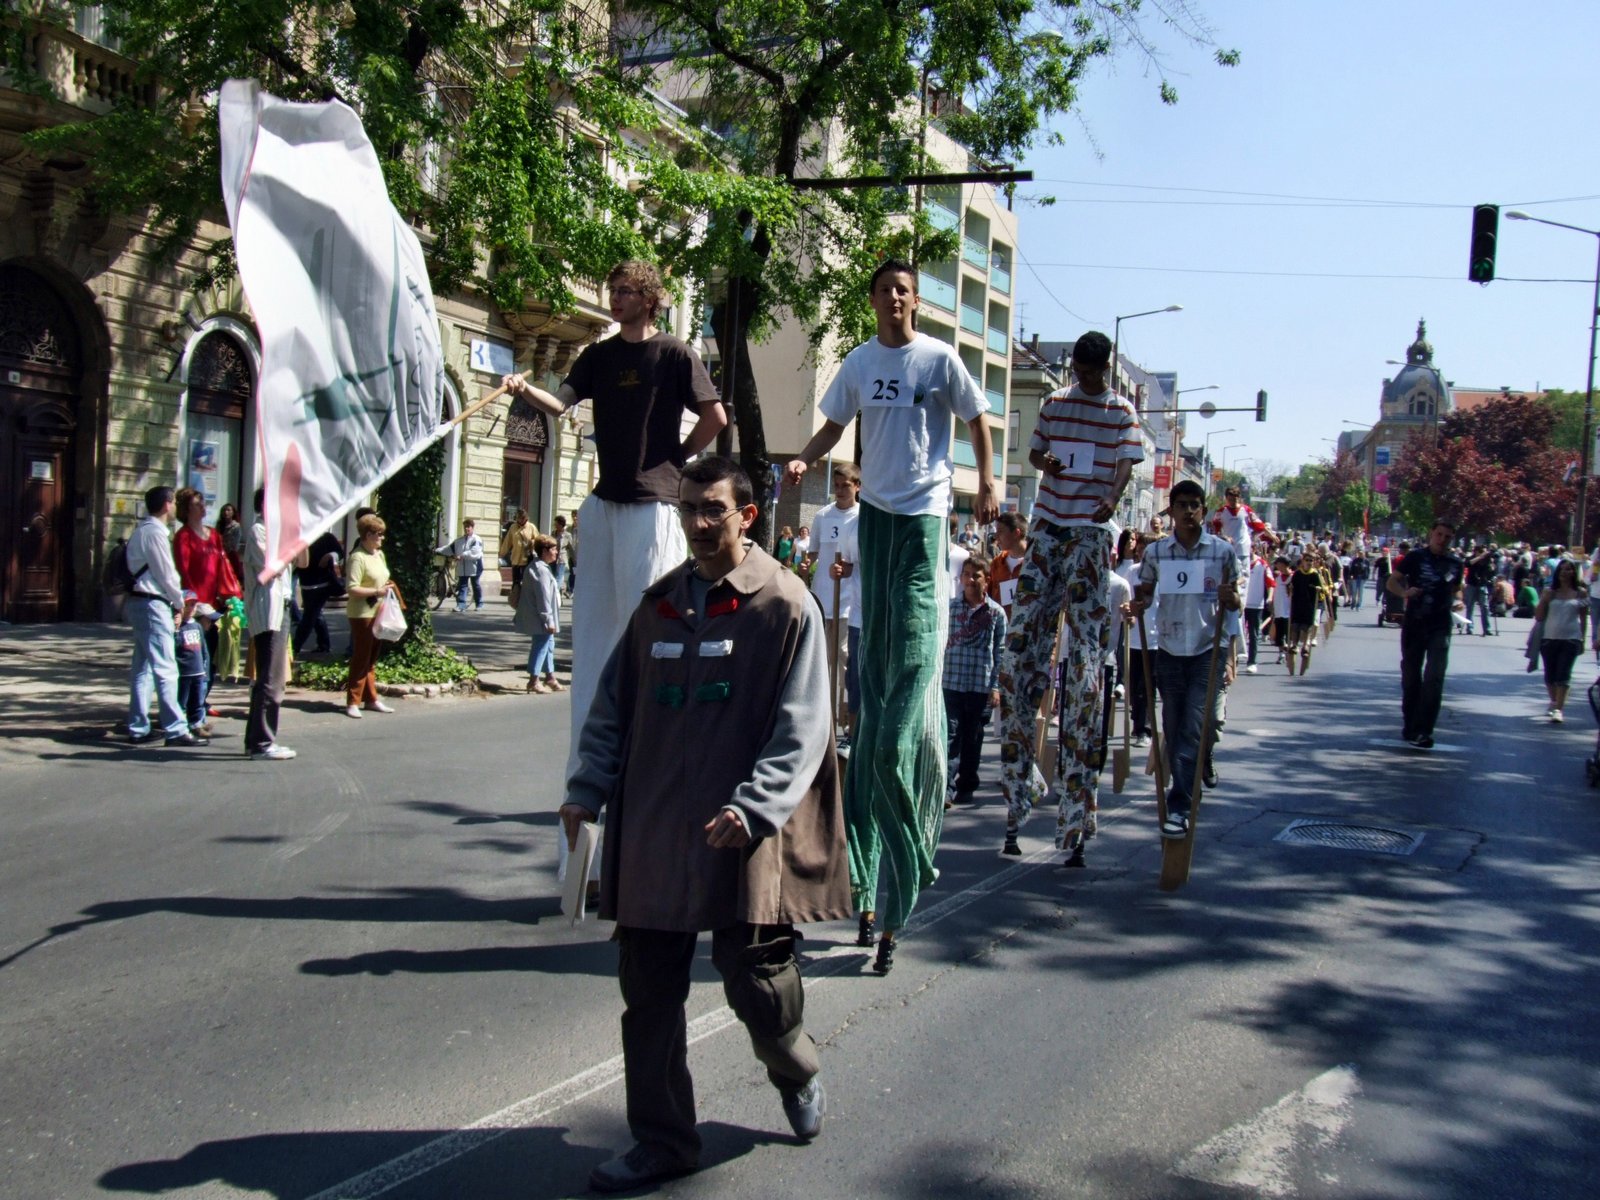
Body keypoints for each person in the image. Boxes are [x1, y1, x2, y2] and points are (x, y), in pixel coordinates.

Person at [561, 456, 849, 1192]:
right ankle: (662, 1141)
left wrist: (754, 806)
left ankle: (796, 1068)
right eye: (688, 508)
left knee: (757, 984)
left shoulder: (784, 604)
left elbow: (803, 729)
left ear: (746, 515)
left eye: (712, 509)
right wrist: (585, 791)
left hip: (743, 833)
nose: (696, 522)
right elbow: (611, 710)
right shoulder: (658, 605)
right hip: (656, 830)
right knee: (648, 989)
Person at [783, 259, 996, 972]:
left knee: (890, 730)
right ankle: (867, 886)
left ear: (914, 301)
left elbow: (977, 418)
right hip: (876, 511)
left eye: (904, 290)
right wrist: (800, 461)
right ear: (874, 300)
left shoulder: (938, 358)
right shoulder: (861, 361)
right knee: (870, 716)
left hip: (925, 513)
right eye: (885, 290)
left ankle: (898, 875)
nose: (895, 298)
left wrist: (988, 482)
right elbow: (833, 426)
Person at [501, 260, 727, 788]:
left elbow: (715, 416)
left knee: (649, 635)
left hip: (654, 507)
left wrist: (678, 460)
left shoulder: (674, 352)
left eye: (626, 290)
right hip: (604, 506)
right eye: (613, 289)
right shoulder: (598, 356)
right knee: (594, 641)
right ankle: (589, 771)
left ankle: (652, 763)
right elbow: (559, 403)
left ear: (649, 299)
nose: (615, 298)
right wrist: (523, 389)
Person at [995, 330, 1142, 860]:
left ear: (1105, 369)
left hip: (1091, 532)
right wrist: (1047, 465)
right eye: (1078, 370)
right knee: (1017, 657)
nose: (1083, 378)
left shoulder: (1121, 410)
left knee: (1083, 674)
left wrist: (1112, 496)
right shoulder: (1057, 401)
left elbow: (1126, 464)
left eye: (1091, 372)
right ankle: (1020, 787)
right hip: (1049, 526)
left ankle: (1077, 810)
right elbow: (1036, 451)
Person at [1130, 479, 1239, 839]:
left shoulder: (1222, 552)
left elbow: (1235, 602)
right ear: (1172, 511)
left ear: (1203, 511)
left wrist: (1231, 599)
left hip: (1208, 649)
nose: (1189, 511)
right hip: (1170, 649)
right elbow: (1146, 593)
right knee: (1174, 726)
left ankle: (1179, 804)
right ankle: (1191, 772)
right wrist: (1137, 604)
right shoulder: (1157, 553)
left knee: (1194, 724)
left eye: (1195, 505)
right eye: (1182, 505)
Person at [125, 486, 201, 746]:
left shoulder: (142, 530)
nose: (175, 507)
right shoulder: (155, 532)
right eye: (174, 502)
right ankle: (176, 729)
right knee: (166, 668)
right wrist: (179, 603)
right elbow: (167, 574)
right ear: (167, 504)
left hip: (140, 601)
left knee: (143, 668)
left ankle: (138, 727)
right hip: (152, 603)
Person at [1387, 519, 1465, 750]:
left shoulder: (1455, 563)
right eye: (1439, 534)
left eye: (1447, 537)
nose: (1442, 540)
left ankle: (1424, 730)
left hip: (1440, 625)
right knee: (1411, 677)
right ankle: (1410, 724)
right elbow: (1392, 582)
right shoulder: (1415, 557)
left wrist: (1458, 601)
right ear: (1432, 533)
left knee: (1434, 677)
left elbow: (1457, 590)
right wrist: (1405, 593)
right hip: (1415, 623)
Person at [244, 487, 307, 760]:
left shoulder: (280, 535)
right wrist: (290, 541)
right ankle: (261, 742)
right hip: (267, 611)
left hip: (282, 608)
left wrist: (302, 536)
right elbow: (274, 565)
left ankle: (257, 740)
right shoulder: (258, 531)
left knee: (274, 677)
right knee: (270, 679)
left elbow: (303, 561)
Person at [804, 464, 863, 744]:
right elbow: (814, 551)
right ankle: (824, 715)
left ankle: (846, 715)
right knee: (823, 659)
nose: (839, 490)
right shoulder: (823, 515)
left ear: (857, 487)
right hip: (823, 596)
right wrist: (806, 564)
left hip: (849, 599)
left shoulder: (861, 517)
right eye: (836, 485)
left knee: (844, 658)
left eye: (845, 486)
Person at [944, 556, 1006, 806]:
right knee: (950, 736)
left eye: (976, 575)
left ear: (986, 580)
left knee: (973, 738)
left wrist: (995, 686)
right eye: (966, 574)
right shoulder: (949, 608)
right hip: (951, 682)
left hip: (980, 686)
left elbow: (1000, 651)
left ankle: (967, 784)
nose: (970, 580)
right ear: (960, 578)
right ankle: (945, 788)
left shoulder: (995, 613)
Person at [172, 486, 241, 686]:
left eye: (202, 502)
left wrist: (229, 596)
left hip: (215, 604)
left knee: (211, 655)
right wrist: (197, 607)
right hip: (195, 607)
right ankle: (192, 700)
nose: (203, 506)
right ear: (186, 509)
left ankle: (203, 698)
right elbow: (184, 572)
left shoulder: (213, 535)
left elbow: (223, 568)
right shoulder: (183, 537)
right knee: (195, 657)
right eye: (197, 504)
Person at [343, 513, 399, 719]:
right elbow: (352, 588)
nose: (382, 538)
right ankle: (352, 701)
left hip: (379, 611)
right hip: (362, 614)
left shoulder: (378, 555)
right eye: (379, 534)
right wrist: (377, 591)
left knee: (372, 657)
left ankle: (371, 699)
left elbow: (382, 577)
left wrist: (386, 588)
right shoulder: (357, 557)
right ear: (367, 535)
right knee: (361, 657)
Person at [1537, 558, 1587, 722]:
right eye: (1563, 569)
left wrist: (1583, 639)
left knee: (1563, 674)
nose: (1565, 572)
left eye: (1569, 569)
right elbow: (1539, 616)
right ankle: (1553, 702)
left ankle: (1559, 709)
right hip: (1549, 638)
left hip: (1571, 638)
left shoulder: (1580, 593)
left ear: (1574, 572)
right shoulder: (1549, 592)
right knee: (1550, 675)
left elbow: (1583, 618)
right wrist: (1544, 600)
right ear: (1557, 572)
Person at [514, 534, 563, 693]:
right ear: (544, 550)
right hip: (540, 617)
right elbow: (543, 597)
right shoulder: (541, 570)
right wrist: (548, 620)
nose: (556, 552)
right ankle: (533, 680)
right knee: (541, 645)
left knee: (549, 645)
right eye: (554, 549)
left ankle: (550, 677)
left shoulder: (540, 567)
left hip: (541, 615)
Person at [293, 527, 344, 656]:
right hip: (306, 583)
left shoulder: (327, 537)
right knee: (316, 615)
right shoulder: (302, 539)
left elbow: (340, 553)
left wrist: (329, 555)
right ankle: (324, 645)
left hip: (322, 583)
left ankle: (295, 647)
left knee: (309, 616)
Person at [174, 590, 213, 736]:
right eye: (187, 605)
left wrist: (205, 668)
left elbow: (203, 649)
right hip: (183, 671)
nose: (190, 608)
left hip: (198, 671)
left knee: (197, 701)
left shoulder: (197, 626)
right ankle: (179, 725)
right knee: (181, 701)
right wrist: (175, 629)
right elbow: (174, 648)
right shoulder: (178, 627)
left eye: (193, 605)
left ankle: (196, 723)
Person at [986, 512, 1029, 619]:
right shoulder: (997, 563)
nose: (996, 536)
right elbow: (988, 597)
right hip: (1001, 625)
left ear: (1016, 533)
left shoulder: (1035, 563)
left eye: (1000, 531)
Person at [437, 518, 486, 612]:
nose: (466, 529)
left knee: (475, 584)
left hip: (475, 566)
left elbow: (475, 552)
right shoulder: (459, 541)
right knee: (463, 585)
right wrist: (438, 550)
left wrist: (462, 555)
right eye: (465, 527)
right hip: (463, 567)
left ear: (472, 528)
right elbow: (449, 548)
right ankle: (461, 605)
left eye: (468, 527)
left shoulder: (476, 539)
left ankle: (479, 603)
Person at [499, 508, 539, 606]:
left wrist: (532, 542)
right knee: (516, 582)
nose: (519, 520)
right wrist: (502, 553)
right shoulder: (513, 527)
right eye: (518, 518)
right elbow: (508, 541)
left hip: (527, 559)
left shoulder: (531, 527)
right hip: (516, 559)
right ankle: (516, 600)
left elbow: (538, 540)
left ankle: (527, 600)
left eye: (521, 518)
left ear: (526, 518)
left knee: (526, 581)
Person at [550, 514, 572, 595]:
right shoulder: (553, 533)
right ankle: (558, 596)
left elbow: (571, 548)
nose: (555, 525)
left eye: (556, 524)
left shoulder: (567, 535)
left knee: (558, 577)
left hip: (561, 559)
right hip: (552, 558)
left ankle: (554, 593)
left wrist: (574, 560)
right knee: (552, 576)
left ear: (561, 524)